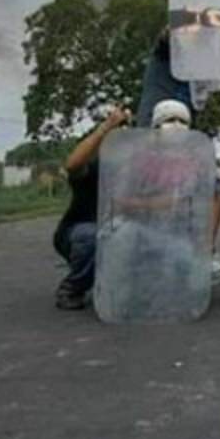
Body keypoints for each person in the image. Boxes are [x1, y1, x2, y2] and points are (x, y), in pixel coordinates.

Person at [137, 29, 220, 284]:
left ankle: (204, 256)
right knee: (153, 196)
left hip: (186, 138)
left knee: (210, 195)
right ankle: (142, 255)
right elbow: (166, 37)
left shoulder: (203, 70)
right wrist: (187, 23)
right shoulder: (165, 55)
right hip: (153, 135)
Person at [52, 106, 131, 310]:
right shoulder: (94, 166)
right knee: (93, 237)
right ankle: (73, 287)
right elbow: (72, 165)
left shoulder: (134, 171)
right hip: (80, 231)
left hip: (120, 232)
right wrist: (106, 126)